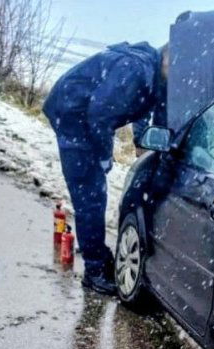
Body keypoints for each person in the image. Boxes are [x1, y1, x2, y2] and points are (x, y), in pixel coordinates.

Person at [43, 42, 168, 294]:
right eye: (176, 62)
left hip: (82, 116)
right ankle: (94, 271)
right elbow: (99, 114)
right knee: (90, 194)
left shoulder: (154, 75)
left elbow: (147, 107)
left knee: (94, 190)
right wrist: (103, 155)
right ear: (166, 56)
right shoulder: (136, 69)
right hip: (73, 117)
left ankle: (94, 249)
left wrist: (142, 140)